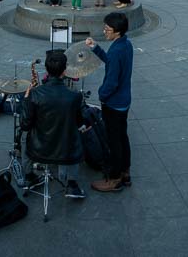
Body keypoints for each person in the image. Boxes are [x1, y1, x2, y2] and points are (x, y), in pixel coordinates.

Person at [19, 50, 85, 199]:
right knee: (76, 133)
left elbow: (25, 125)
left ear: (47, 71)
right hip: (64, 149)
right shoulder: (75, 96)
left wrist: (26, 99)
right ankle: (72, 184)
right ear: (64, 71)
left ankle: (29, 175)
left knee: (24, 136)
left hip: (38, 148)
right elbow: (80, 123)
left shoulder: (35, 94)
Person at [85, 12, 133, 192]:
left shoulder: (116, 50)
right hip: (124, 101)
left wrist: (102, 95)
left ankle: (114, 179)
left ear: (117, 31)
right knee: (122, 136)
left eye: (107, 29)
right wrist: (96, 48)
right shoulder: (126, 44)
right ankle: (125, 172)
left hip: (113, 103)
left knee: (113, 142)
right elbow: (112, 63)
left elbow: (112, 81)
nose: (104, 31)